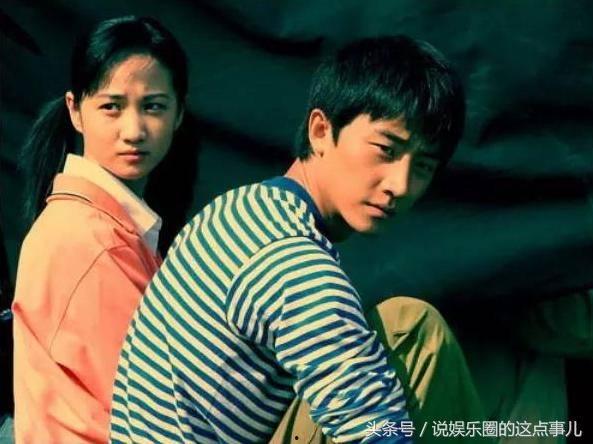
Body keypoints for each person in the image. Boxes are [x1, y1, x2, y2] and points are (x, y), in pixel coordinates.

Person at [110, 35, 481, 443]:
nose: (401, 184)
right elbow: (372, 432)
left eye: (423, 166)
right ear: (321, 130)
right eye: (385, 149)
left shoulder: (242, 208)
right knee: (410, 329)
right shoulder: (292, 260)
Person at [12, 16, 187, 443]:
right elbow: (154, 414)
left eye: (154, 106)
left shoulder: (106, 226)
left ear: (179, 113)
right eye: (112, 106)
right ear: (75, 110)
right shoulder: (91, 240)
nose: (134, 131)